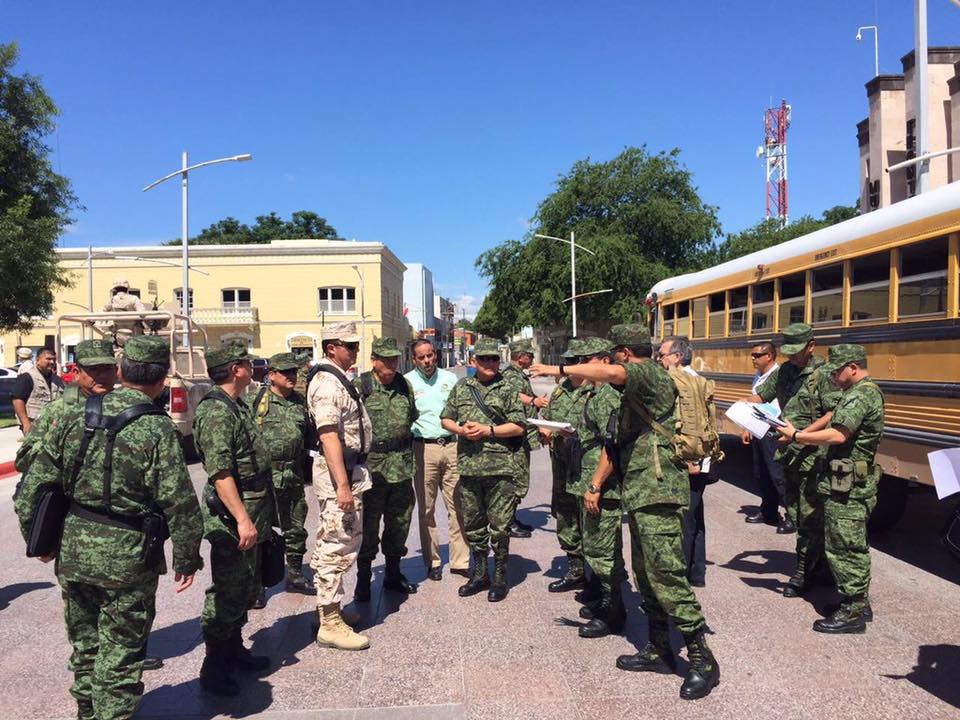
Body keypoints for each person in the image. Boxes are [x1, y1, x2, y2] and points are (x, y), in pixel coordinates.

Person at [14, 335, 204, 720]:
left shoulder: (74, 415)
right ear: (163, 378)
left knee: (86, 648)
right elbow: (179, 501)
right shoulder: (155, 427)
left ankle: (88, 713)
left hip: (75, 550)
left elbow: (34, 484)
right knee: (120, 656)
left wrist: (37, 539)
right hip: (128, 558)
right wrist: (187, 557)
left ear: (120, 371)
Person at [531, 324, 721, 701]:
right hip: (639, 491)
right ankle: (659, 648)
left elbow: (612, 373)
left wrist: (558, 369)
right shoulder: (633, 390)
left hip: (659, 491)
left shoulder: (649, 373)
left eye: (613, 356)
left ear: (624, 353)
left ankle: (703, 660)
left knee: (667, 576)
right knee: (646, 576)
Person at [774, 344, 884, 633]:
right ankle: (857, 602)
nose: (833, 376)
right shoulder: (858, 392)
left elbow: (838, 434)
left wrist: (798, 435)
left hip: (848, 487)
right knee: (849, 544)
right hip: (844, 481)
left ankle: (852, 612)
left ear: (853, 368)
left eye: (837, 371)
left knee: (845, 547)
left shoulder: (861, 395)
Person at [194, 343, 275, 695]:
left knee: (246, 584)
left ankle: (234, 649)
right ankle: (214, 667)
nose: (252, 367)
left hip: (252, 505)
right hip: (232, 514)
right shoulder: (216, 411)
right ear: (234, 369)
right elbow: (220, 472)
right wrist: (242, 519)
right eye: (247, 362)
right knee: (228, 588)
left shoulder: (235, 404)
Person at [744, 323, 840, 598]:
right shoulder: (785, 371)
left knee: (811, 515)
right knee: (797, 513)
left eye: (797, 351)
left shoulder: (824, 374)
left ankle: (804, 572)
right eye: (789, 352)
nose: (793, 357)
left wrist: (800, 435)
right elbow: (761, 396)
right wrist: (743, 407)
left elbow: (832, 413)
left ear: (811, 346)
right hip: (789, 455)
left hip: (814, 456)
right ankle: (819, 566)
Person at [441, 338, 527, 602]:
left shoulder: (508, 388)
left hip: (500, 469)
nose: (489, 363)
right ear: (473, 361)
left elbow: (519, 426)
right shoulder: (462, 387)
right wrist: (460, 429)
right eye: (484, 359)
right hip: (469, 468)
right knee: (474, 526)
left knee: (500, 527)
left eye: (494, 359)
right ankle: (479, 574)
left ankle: (499, 578)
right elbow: (446, 418)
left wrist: (488, 430)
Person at [306, 321, 373, 651]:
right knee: (336, 544)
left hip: (347, 471)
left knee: (339, 541)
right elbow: (329, 436)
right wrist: (343, 487)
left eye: (357, 345)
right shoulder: (327, 384)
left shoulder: (337, 378)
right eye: (350, 346)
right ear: (331, 348)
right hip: (338, 476)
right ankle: (330, 623)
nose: (355, 350)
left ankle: (329, 609)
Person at [354, 336, 419, 601]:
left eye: (395, 359)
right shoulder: (361, 386)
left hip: (401, 467)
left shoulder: (404, 385)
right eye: (386, 359)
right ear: (374, 360)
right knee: (368, 526)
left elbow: (411, 416)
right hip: (373, 469)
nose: (392, 364)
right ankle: (363, 579)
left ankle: (393, 573)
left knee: (399, 522)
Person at [572, 336, 626, 638]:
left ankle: (613, 613)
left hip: (605, 485)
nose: (579, 366)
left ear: (605, 362)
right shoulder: (595, 392)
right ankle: (606, 602)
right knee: (596, 547)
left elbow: (612, 445)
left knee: (605, 551)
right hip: (593, 479)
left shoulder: (607, 395)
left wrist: (595, 486)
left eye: (585, 360)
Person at [405, 338, 470, 580]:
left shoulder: (450, 379)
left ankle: (460, 561)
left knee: (457, 506)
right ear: (414, 359)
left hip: (451, 446)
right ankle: (432, 561)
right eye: (421, 357)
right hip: (423, 449)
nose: (427, 360)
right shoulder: (407, 382)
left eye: (430, 355)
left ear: (435, 355)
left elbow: (461, 410)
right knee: (427, 509)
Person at [252, 352, 314, 596]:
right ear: (271, 374)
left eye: (294, 371)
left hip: (292, 476)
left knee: (295, 527)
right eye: (286, 372)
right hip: (264, 478)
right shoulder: (256, 401)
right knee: (260, 530)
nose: (292, 376)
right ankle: (257, 585)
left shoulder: (300, 402)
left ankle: (295, 575)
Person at [658, 335, 708, 587]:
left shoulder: (680, 383)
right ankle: (696, 573)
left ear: (677, 357)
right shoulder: (698, 379)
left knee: (683, 520)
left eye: (662, 355)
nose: (659, 359)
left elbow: (687, 425)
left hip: (688, 459)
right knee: (695, 518)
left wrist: (690, 459)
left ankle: (682, 577)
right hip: (700, 458)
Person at [539, 338, 588, 594]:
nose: (568, 366)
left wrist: (576, 433)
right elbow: (549, 417)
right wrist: (545, 431)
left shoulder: (597, 390)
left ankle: (595, 575)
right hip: (562, 463)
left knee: (590, 519)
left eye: (573, 362)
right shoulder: (561, 390)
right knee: (565, 516)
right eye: (566, 361)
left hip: (587, 465)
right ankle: (575, 569)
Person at [741, 341, 791, 532]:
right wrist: (747, 427)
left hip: (774, 429)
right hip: (758, 428)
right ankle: (769, 511)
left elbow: (775, 407)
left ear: (769, 356)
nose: (753, 358)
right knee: (761, 473)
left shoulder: (779, 375)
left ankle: (792, 515)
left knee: (777, 474)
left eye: (757, 355)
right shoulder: (758, 376)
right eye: (752, 355)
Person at [500, 339, 546, 538]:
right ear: (521, 357)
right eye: (530, 355)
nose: (533, 358)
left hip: (522, 434)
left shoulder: (518, 374)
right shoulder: (511, 375)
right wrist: (534, 401)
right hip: (515, 438)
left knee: (519, 477)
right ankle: (507, 522)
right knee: (516, 479)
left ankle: (510, 517)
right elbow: (514, 395)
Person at [12, 347, 63, 435]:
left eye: (54, 359)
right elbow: (18, 400)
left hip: (53, 425)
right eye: (48, 359)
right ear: (38, 360)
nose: (52, 362)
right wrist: (25, 422)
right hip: (34, 424)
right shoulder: (27, 377)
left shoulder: (57, 380)